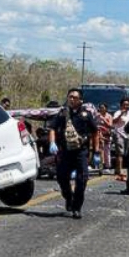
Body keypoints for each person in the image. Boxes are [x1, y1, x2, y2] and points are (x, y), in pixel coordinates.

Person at [47, 88, 98, 218]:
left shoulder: (86, 115)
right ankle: (69, 197)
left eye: (75, 97)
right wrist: (52, 143)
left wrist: (96, 151)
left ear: (80, 100)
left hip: (81, 152)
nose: (71, 99)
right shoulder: (62, 113)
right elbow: (52, 128)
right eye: (70, 97)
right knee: (61, 177)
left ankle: (77, 208)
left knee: (82, 180)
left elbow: (95, 132)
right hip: (65, 152)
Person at [111, 98, 129, 177]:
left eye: (127, 105)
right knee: (120, 153)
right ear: (121, 105)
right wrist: (121, 114)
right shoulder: (118, 112)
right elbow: (113, 121)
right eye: (124, 105)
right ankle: (120, 171)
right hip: (119, 134)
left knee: (125, 153)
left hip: (127, 135)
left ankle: (117, 169)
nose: (126, 106)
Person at [95, 102, 113, 171]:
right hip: (98, 135)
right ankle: (99, 165)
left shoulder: (109, 116)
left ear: (106, 108)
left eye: (103, 107)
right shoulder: (97, 116)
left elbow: (110, 125)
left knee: (106, 151)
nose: (101, 109)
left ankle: (107, 166)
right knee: (99, 151)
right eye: (100, 107)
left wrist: (103, 119)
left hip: (106, 136)